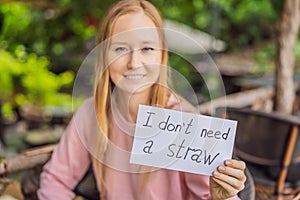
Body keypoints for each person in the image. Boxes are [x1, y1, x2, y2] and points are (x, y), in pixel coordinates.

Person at [38, 0, 246, 199]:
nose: (134, 62)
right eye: (120, 49)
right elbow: (56, 179)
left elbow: (211, 195)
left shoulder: (186, 124)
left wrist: (222, 198)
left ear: (162, 57)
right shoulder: (92, 113)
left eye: (147, 48)